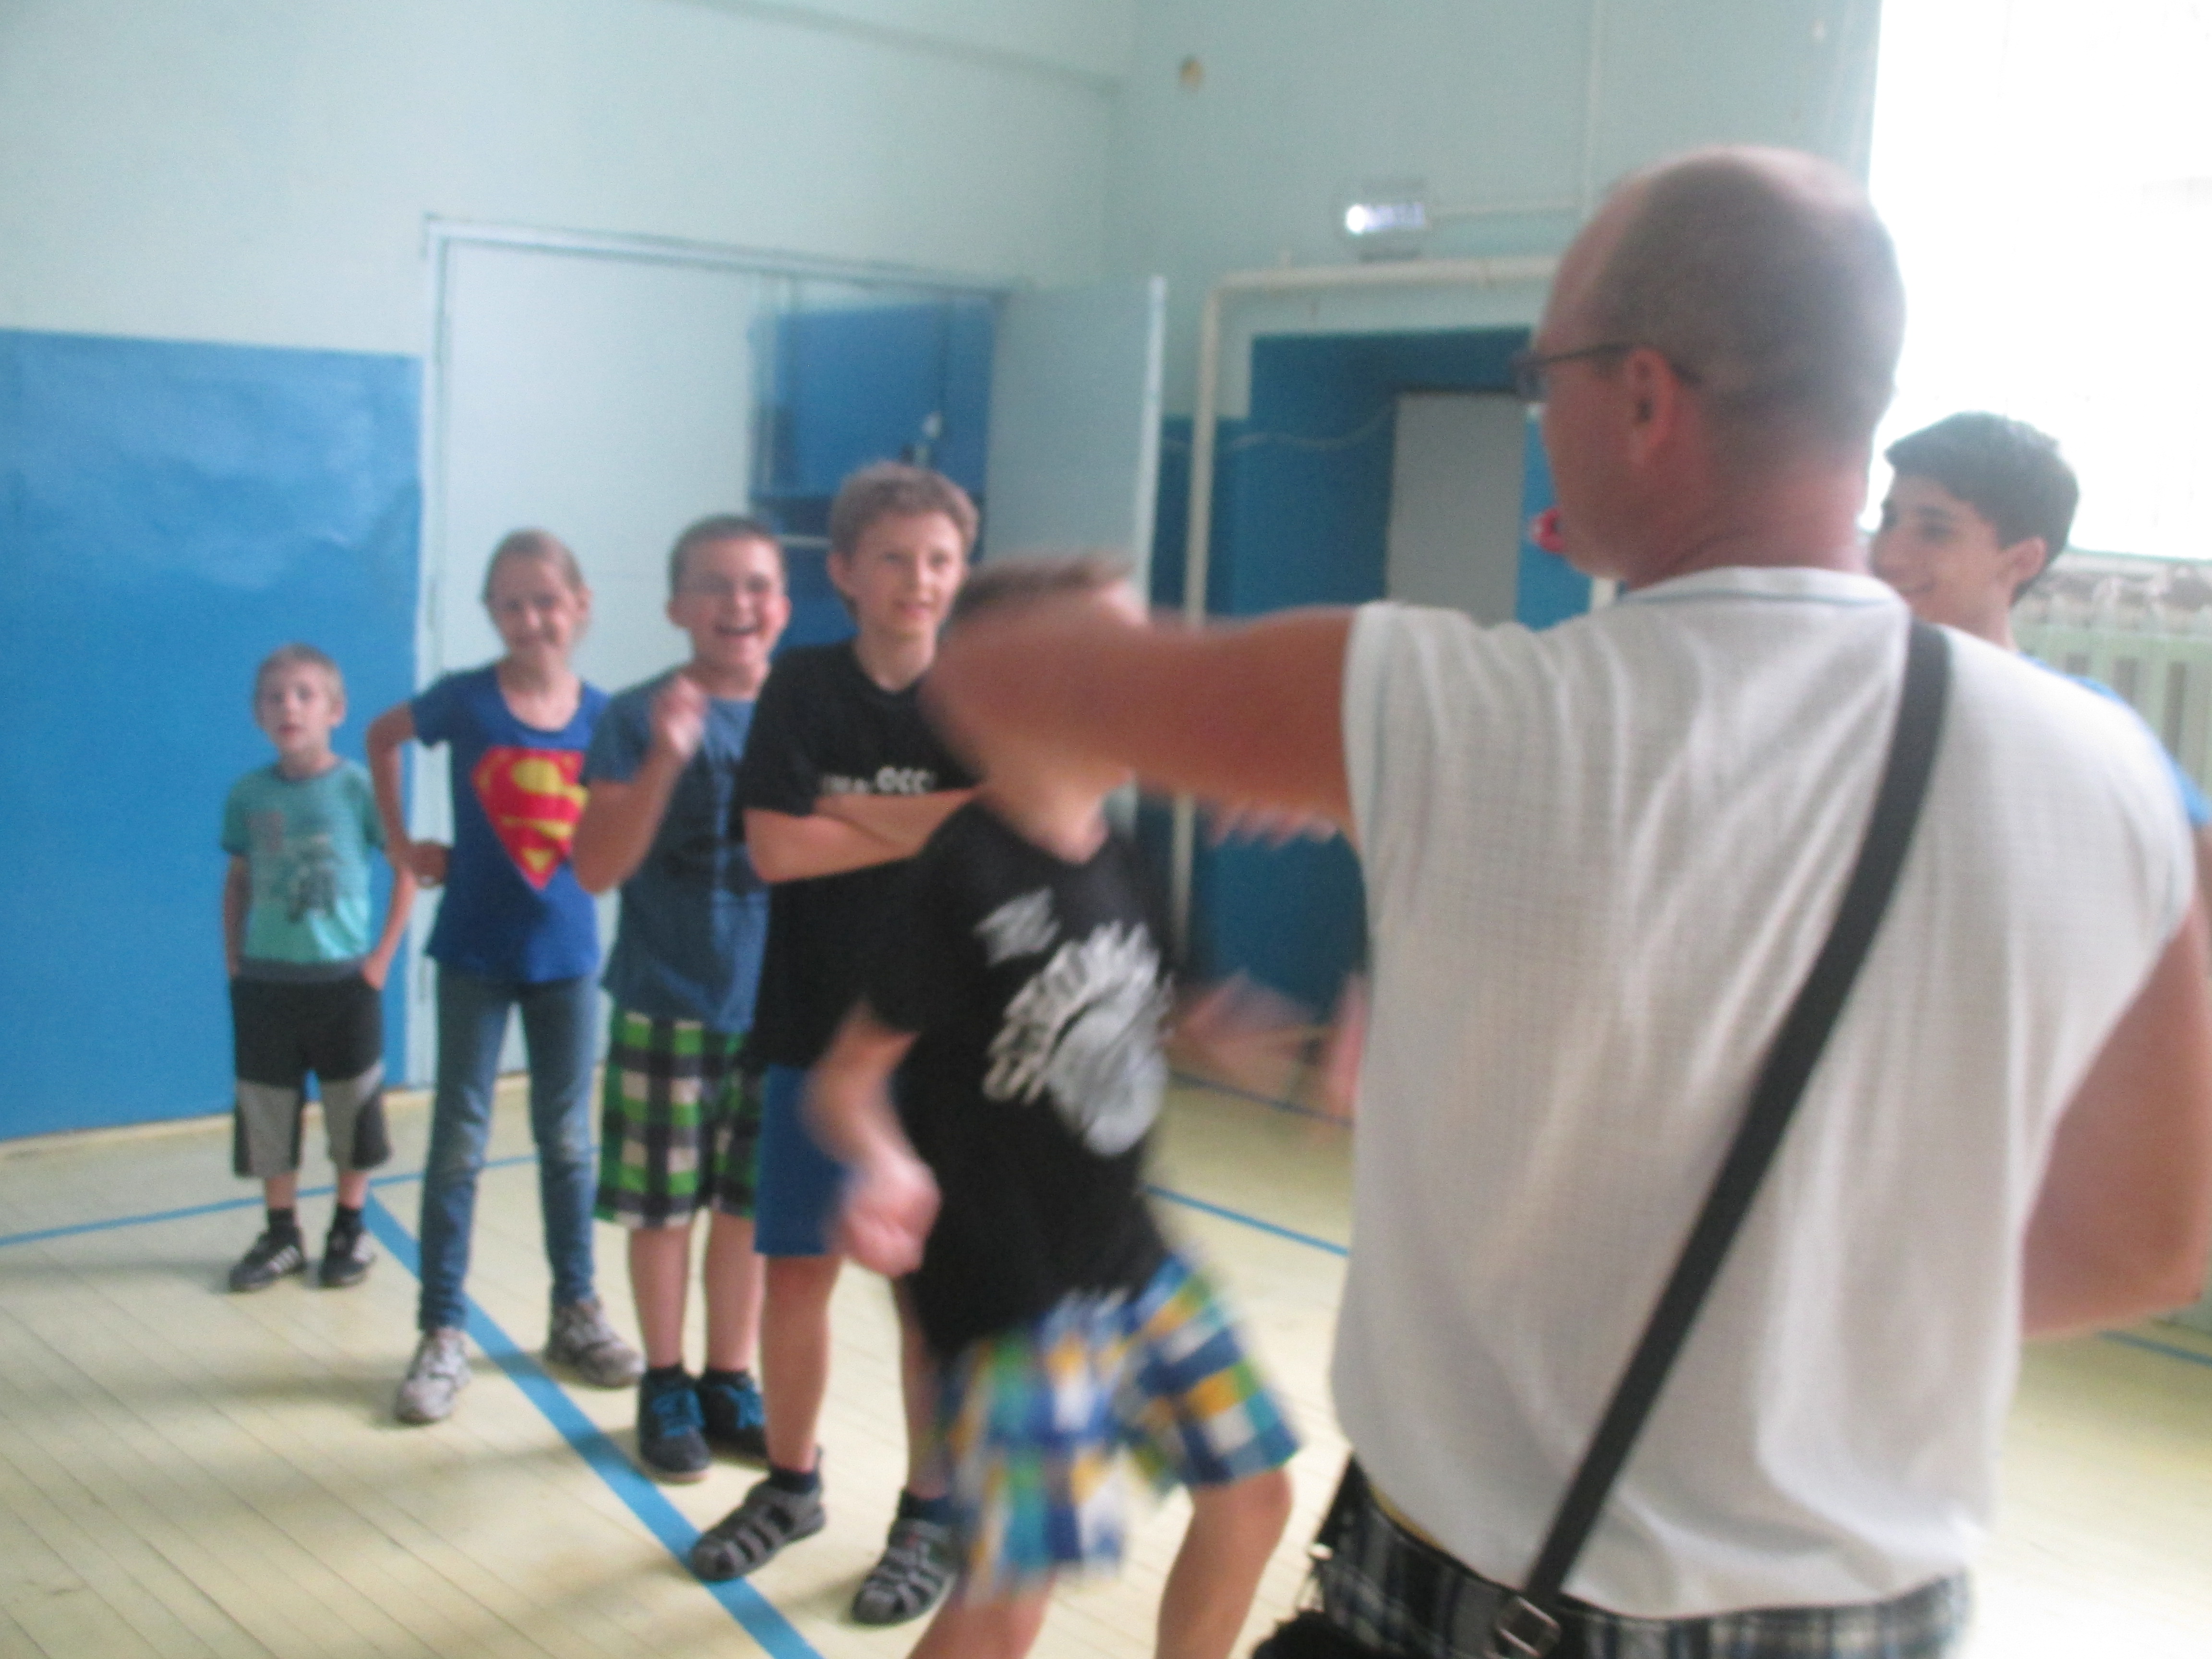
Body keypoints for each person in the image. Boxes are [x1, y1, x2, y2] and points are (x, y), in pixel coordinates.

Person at [922, 147, 2212, 1657]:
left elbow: (998, 669)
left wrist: (1236, 702)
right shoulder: (2121, 784)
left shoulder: (1442, 711)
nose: (1544, 419)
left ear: (1645, 397)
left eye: (1547, 379)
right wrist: (1814, 1326)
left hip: (1481, 1601)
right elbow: (2149, 1243)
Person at [811, 556, 1300, 1659]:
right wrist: (887, 1162)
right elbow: (847, 1074)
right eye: (1106, 657)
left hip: (1130, 1252)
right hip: (1009, 1290)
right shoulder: (958, 874)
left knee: (1254, 1490)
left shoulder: (1123, 853)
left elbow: (1185, 1013)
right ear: (1005, 693)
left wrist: (1299, 1062)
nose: (1145, 677)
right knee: (1013, 1592)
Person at [688, 463, 976, 1626]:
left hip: (941, 1044)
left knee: (926, 1300)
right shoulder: (802, 687)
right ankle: (792, 1484)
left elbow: (990, 837)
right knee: (798, 1274)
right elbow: (772, 849)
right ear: (847, 572)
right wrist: (926, 820)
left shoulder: (978, 693)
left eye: (940, 560)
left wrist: (839, 812)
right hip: (812, 1026)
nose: (919, 580)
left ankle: (928, 1512)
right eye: (895, 558)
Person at [367, 529, 642, 1426]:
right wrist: (402, 845)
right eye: (512, 605)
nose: (531, 620)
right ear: (491, 613)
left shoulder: (606, 718)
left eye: (546, 601)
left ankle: (576, 1311)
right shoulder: (465, 700)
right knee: (459, 1142)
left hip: (567, 960)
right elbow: (382, 736)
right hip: (474, 957)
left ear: (580, 607)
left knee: (569, 1143)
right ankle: (442, 1329)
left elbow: (629, 821)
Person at [570, 517, 790, 1481]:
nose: (736, 603)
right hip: (665, 1004)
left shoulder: (804, 713)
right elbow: (595, 867)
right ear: (675, 607)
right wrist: (666, 756)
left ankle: (727, 1379)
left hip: (778, 1013)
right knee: (663, 1213)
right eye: (712, 584)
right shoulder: (633, 716)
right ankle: (664, 1380)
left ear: (783, 603)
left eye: (756, 584)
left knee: (747, 1211)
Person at [1870, 410, 2212, 886]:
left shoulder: (2085, 720)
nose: (1887, 555)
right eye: (1889, 520)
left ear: (2023, 560)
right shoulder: (1852, 686)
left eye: (1935, 531)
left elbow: (2200, 864)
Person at [222, 644, 416, 1292]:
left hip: (344, 986)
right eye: (275, 697)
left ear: (335, 709)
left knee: (352, 1111)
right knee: (269, 1111)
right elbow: (239, 880)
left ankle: (349, 1228)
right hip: (267, 985)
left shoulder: (359, 788)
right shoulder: (249, 795)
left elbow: (406, 868)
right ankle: (282, 1234)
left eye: (305, 694)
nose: (290, 707)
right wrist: (235, 962)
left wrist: (381, 959)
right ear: (258, 714)